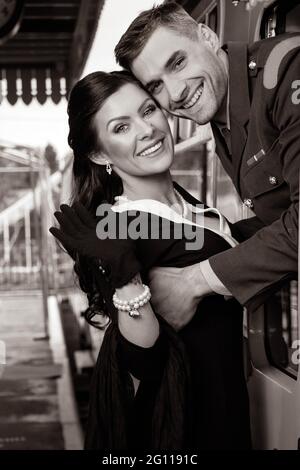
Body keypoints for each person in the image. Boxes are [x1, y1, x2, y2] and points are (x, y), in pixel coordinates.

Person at [50, 71, 251, 450]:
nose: (147, 130)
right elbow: (143, 363)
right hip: (186, 425)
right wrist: (124, 275)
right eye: (122, 127)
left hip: (226, 403)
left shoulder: (188, 205)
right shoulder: (119, 227)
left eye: (148, 111)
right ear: (98, 153)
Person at [114, 1, 299, 328]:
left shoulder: (285, 72)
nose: (176, 92)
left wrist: (194, 281)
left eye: (178, 62)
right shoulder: (222, 116)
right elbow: (281, 217)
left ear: (208, 37)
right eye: (156, 86)